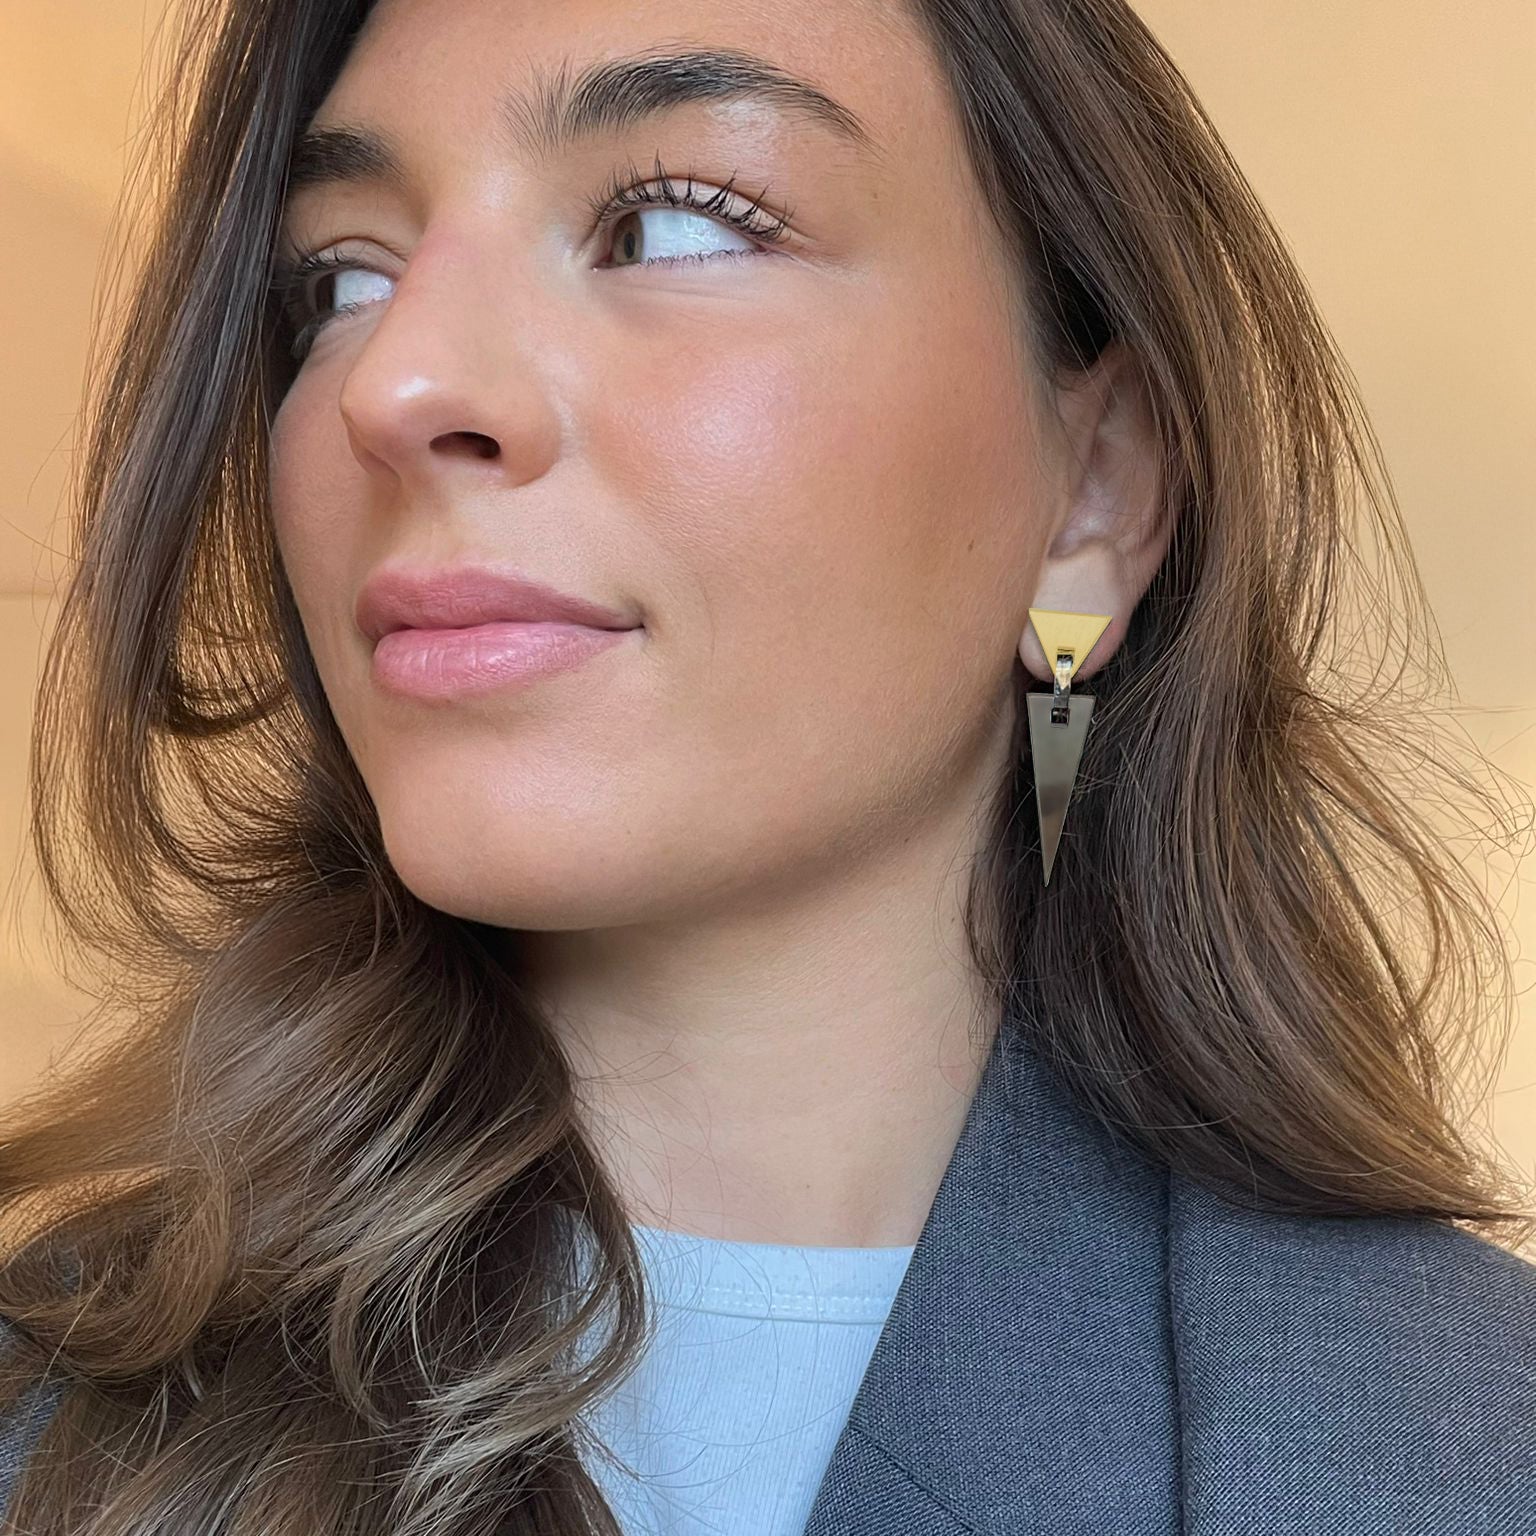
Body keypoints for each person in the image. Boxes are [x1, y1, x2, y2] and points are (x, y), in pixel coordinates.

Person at [2, 0, 1532, 1531]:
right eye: (340, 279)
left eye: (671, 225)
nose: (393, 387)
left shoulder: (1456, 1451)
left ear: (1096, 488)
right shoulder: (42, 1422)